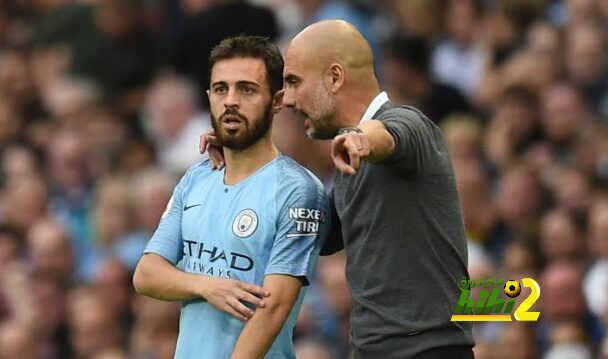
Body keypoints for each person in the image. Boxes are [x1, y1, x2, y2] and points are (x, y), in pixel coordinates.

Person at [201, 20, 474, 358]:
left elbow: (392, 135)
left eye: (294, 82)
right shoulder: (349, 165)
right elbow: (314, 230)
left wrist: (362, 139)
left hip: (426, 351)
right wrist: (241, 154)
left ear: (334, 77)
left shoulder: (409, 126)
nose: (288, 99)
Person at [133, 36, 330, 359]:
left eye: (247, 89)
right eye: (221, 89)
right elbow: (146, 274)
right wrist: (206, 285)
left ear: (277, 100)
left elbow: (274, 307)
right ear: (209, 97)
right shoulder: (196, 178)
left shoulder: (298, 191)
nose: (231, 101)